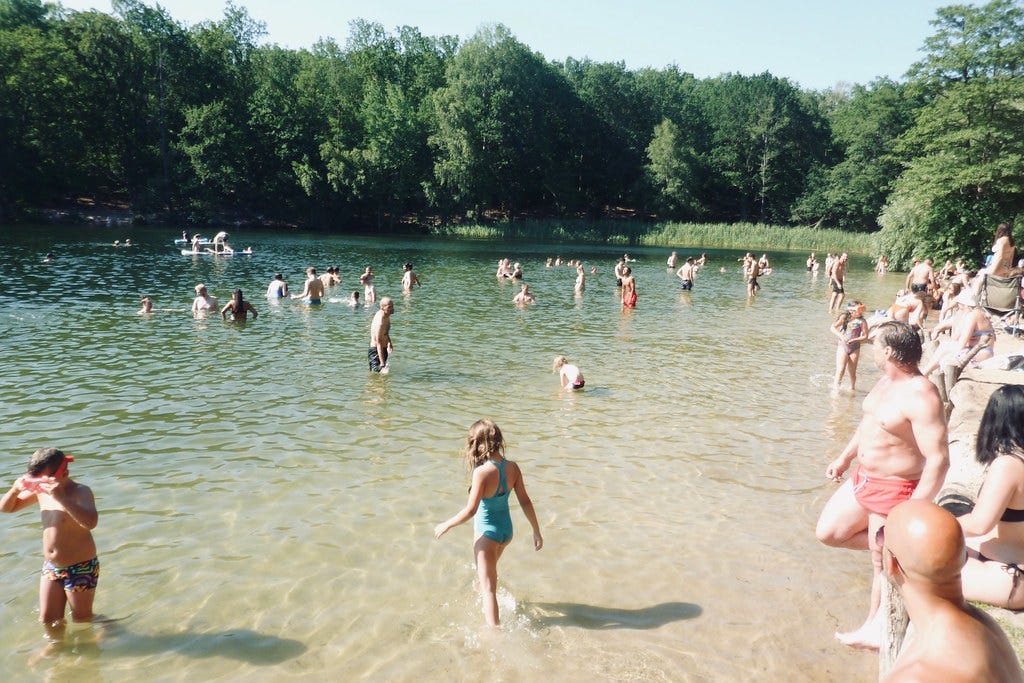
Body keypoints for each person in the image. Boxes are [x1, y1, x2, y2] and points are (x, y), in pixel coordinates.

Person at [815, 321, 949, 650]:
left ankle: (874, 627)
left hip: (895, 486)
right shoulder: (885, 382)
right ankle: (897, 551)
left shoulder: (922, 394)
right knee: (828, 533)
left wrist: (912, 511)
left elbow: (939, 460)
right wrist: (845, 458)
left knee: (880, 564)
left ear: (889, 351)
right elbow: (869, 423)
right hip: (864, 476)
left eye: (876, 344)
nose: (872, 348)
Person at [880, 500, 1024, 682]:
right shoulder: (984, 626)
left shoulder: (916, 675)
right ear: (964, 559)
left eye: (881, 536)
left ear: (891, 562)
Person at [434, 420, 542, 627]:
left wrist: (447, 524)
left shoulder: (481, 472)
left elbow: (471, 510)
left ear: (477, 445)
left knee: (489, 591)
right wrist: (536, 531)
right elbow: (525, 501)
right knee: (485, 579)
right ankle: (479, 586)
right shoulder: (513, 468)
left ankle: (494, 635)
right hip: (506, 533)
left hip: (487, 536)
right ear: (499, 440)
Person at [1, 448, 99, 635]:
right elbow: (6, 508)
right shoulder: (41, 491)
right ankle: (55, 646)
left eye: (44, 480)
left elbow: (90, 522)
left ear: (64, 472)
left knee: (81, 620)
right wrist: (15, 490)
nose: (40, 485)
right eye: (35, 480)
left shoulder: (81, 492)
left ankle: (97, 638)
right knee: (48, 620)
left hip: (81, 566)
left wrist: (60, 497)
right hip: (52, 566)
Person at [957, 385, 1024, 610]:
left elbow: (979, 525)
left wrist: (937, 522)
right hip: (1010, 562)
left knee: (914, 568)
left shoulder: (1008, 465)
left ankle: (877, 633)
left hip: (1012, 577)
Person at [921, 291, 995, 376]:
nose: (957, 305)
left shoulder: (972, 316)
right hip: (983, 352)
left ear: (963, 304)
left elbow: (960, 344)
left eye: (958, 303)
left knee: (944, 350)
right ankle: (925, 373)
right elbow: (955, 338)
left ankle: (924, 373)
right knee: (944, 352)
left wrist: (962, 317)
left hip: (980, 354)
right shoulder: (979, 313)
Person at [832, 301, 869, 391]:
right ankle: (836, 389)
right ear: (851, 310)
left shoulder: (862, 321)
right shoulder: (845, 318)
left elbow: (865, 336)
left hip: (855, 348)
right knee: (841, 370)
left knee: (852, 372)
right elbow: (832, 328)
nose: (859, 313)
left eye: (861, 311)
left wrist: (855, 340)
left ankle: (852, 388)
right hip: (842, 346)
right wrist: (841, 336)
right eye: (857, 310)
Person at [368, 297, 394, 373]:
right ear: (382, 307)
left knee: (382, 376)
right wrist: (382, 363)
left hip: (384, 349)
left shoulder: (386, 315)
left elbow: (385, 332)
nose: (392, 308)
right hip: (376, 352)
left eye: (392, 306)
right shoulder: (380, 322)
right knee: (376, 373)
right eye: (389, 307)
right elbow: (378, 342)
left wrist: (389, 343)